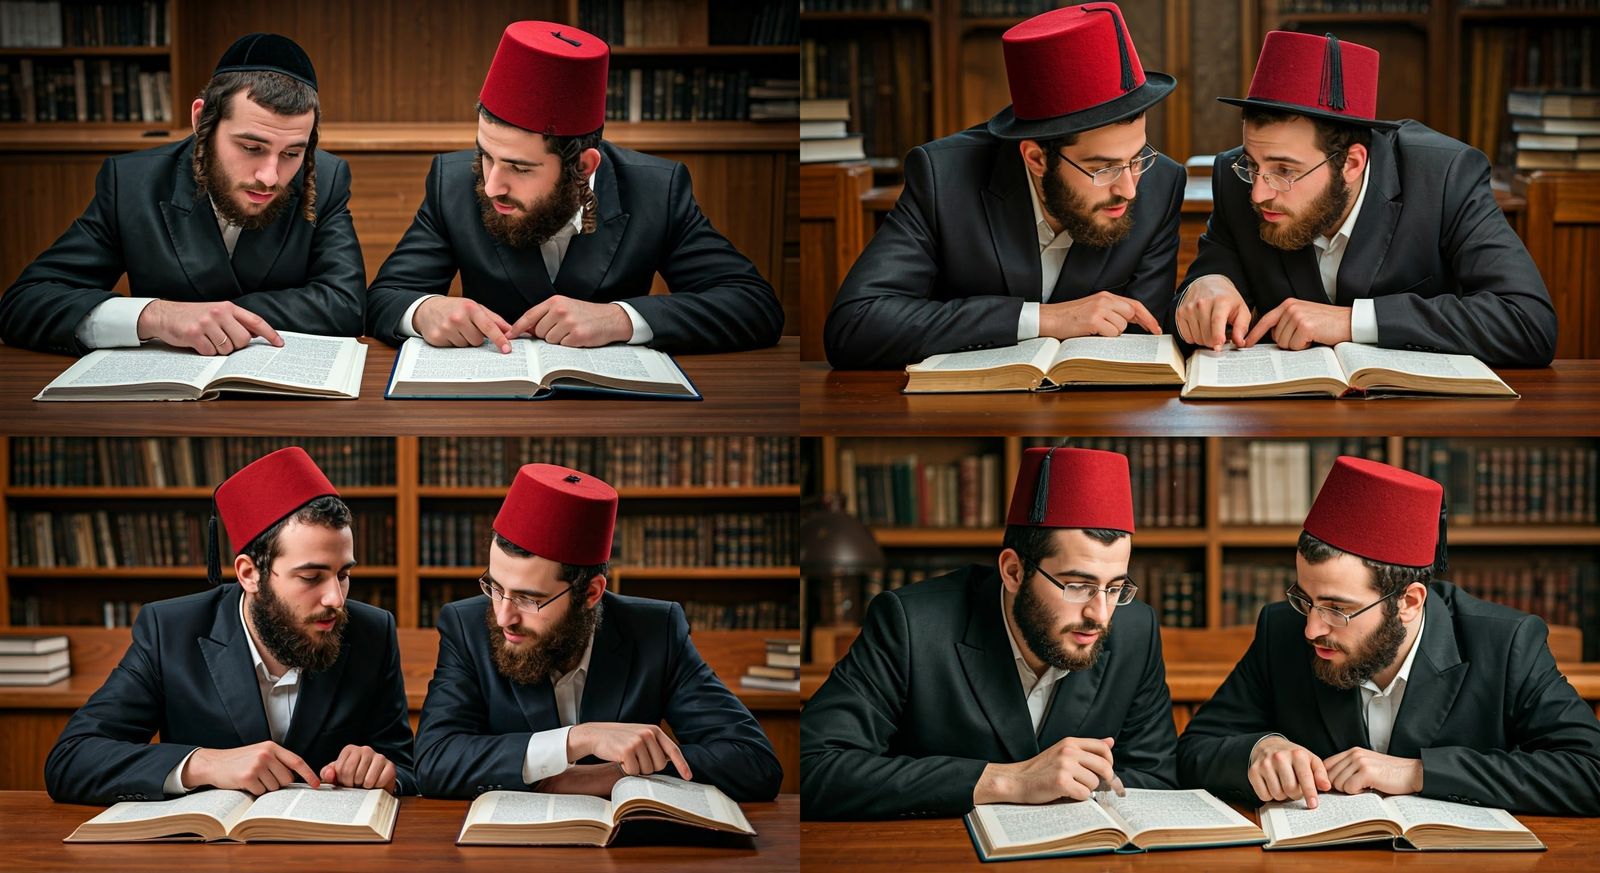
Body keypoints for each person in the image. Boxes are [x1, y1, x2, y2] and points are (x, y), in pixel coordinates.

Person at [1177, 456, 1600, 815]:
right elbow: (1194, 750)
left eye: (1337, 609)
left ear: (1410, 602)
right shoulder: (1281, 630)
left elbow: (1590, 770)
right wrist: (1258, 750)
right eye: (1304, 599)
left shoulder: (1507, 644)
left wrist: (1417, 772)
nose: (1311, 628)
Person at [802, 446, 1179, 819]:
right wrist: (1005, 781)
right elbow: (817, 768)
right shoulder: (912, 623)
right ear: (1014, 571)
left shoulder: (1135, 629)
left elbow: (1156, 778)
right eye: (1077, 586)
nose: (1100, 614)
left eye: (1115, 588)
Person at [366, 21, 783, 355]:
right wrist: (423, 311)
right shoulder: (452, 180)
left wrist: (620, 319)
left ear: (583, 167)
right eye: (486, 155)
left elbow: (754, 305)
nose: (491, 184)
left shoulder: (657, 188)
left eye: (520, 168)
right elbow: (383, 297)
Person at [823, 2, 1184, 370]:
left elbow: (1144, 348)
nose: (1129, 188)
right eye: (1103, 168)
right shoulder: (943, 178)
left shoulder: (1160, 185)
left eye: (1137, 158)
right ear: (1037, 159)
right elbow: (854, 325)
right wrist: (1043, 319)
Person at [45, 447, 415, 804]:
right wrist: (203, 763)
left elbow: (407, 764)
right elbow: (72, 759)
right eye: (311, 577)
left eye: (343, 574)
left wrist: (386, 771)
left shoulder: (372, 632)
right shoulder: (170, 630)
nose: (335, 598)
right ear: (250, 574)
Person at [1172, 31, 1556, 367]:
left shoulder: (1443, 176)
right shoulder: (1236, 177)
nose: (1259, 191)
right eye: (1253, 164)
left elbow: (1527, 322)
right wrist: (1206, 285)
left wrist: (1350, 321)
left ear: (1352, 163)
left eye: (1285, 172)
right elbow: (1200, 287)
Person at [414, 462, 782, 801]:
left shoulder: (657, 630)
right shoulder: (465, 626)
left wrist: (612, 776)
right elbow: (433, 762)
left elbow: (754, 761)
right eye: (494, 587)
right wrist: (577, 740)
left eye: (528, 599)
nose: (503, 616)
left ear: (590, 593)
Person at [0, 33, 366, 357]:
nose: (269, 177)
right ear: (201, 121)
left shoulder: (328, 177)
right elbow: (24, 303)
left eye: (292, 153)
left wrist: (218, 316)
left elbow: (346, 305)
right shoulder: (130, 183)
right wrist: (155, 315)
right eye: (251, 147)